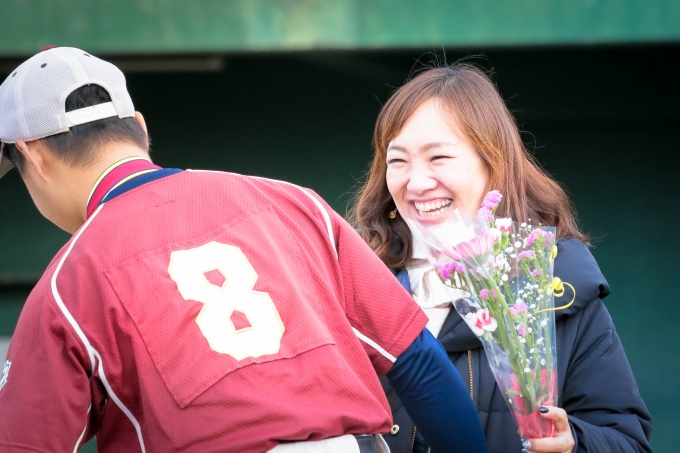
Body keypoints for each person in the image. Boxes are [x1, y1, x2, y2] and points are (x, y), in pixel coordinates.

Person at [0, 48, 490, 453]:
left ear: (31, 156)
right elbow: (418, 363)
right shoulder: (291, 201)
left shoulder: (67, 282)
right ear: (140, 127)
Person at [354, 63, 652, 453]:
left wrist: (573, 443)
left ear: (492, 163)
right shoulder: (351, 281)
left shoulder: (556, 286)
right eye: (398, 161)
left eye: (438, 157)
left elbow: (626, 440)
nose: (417, 182)